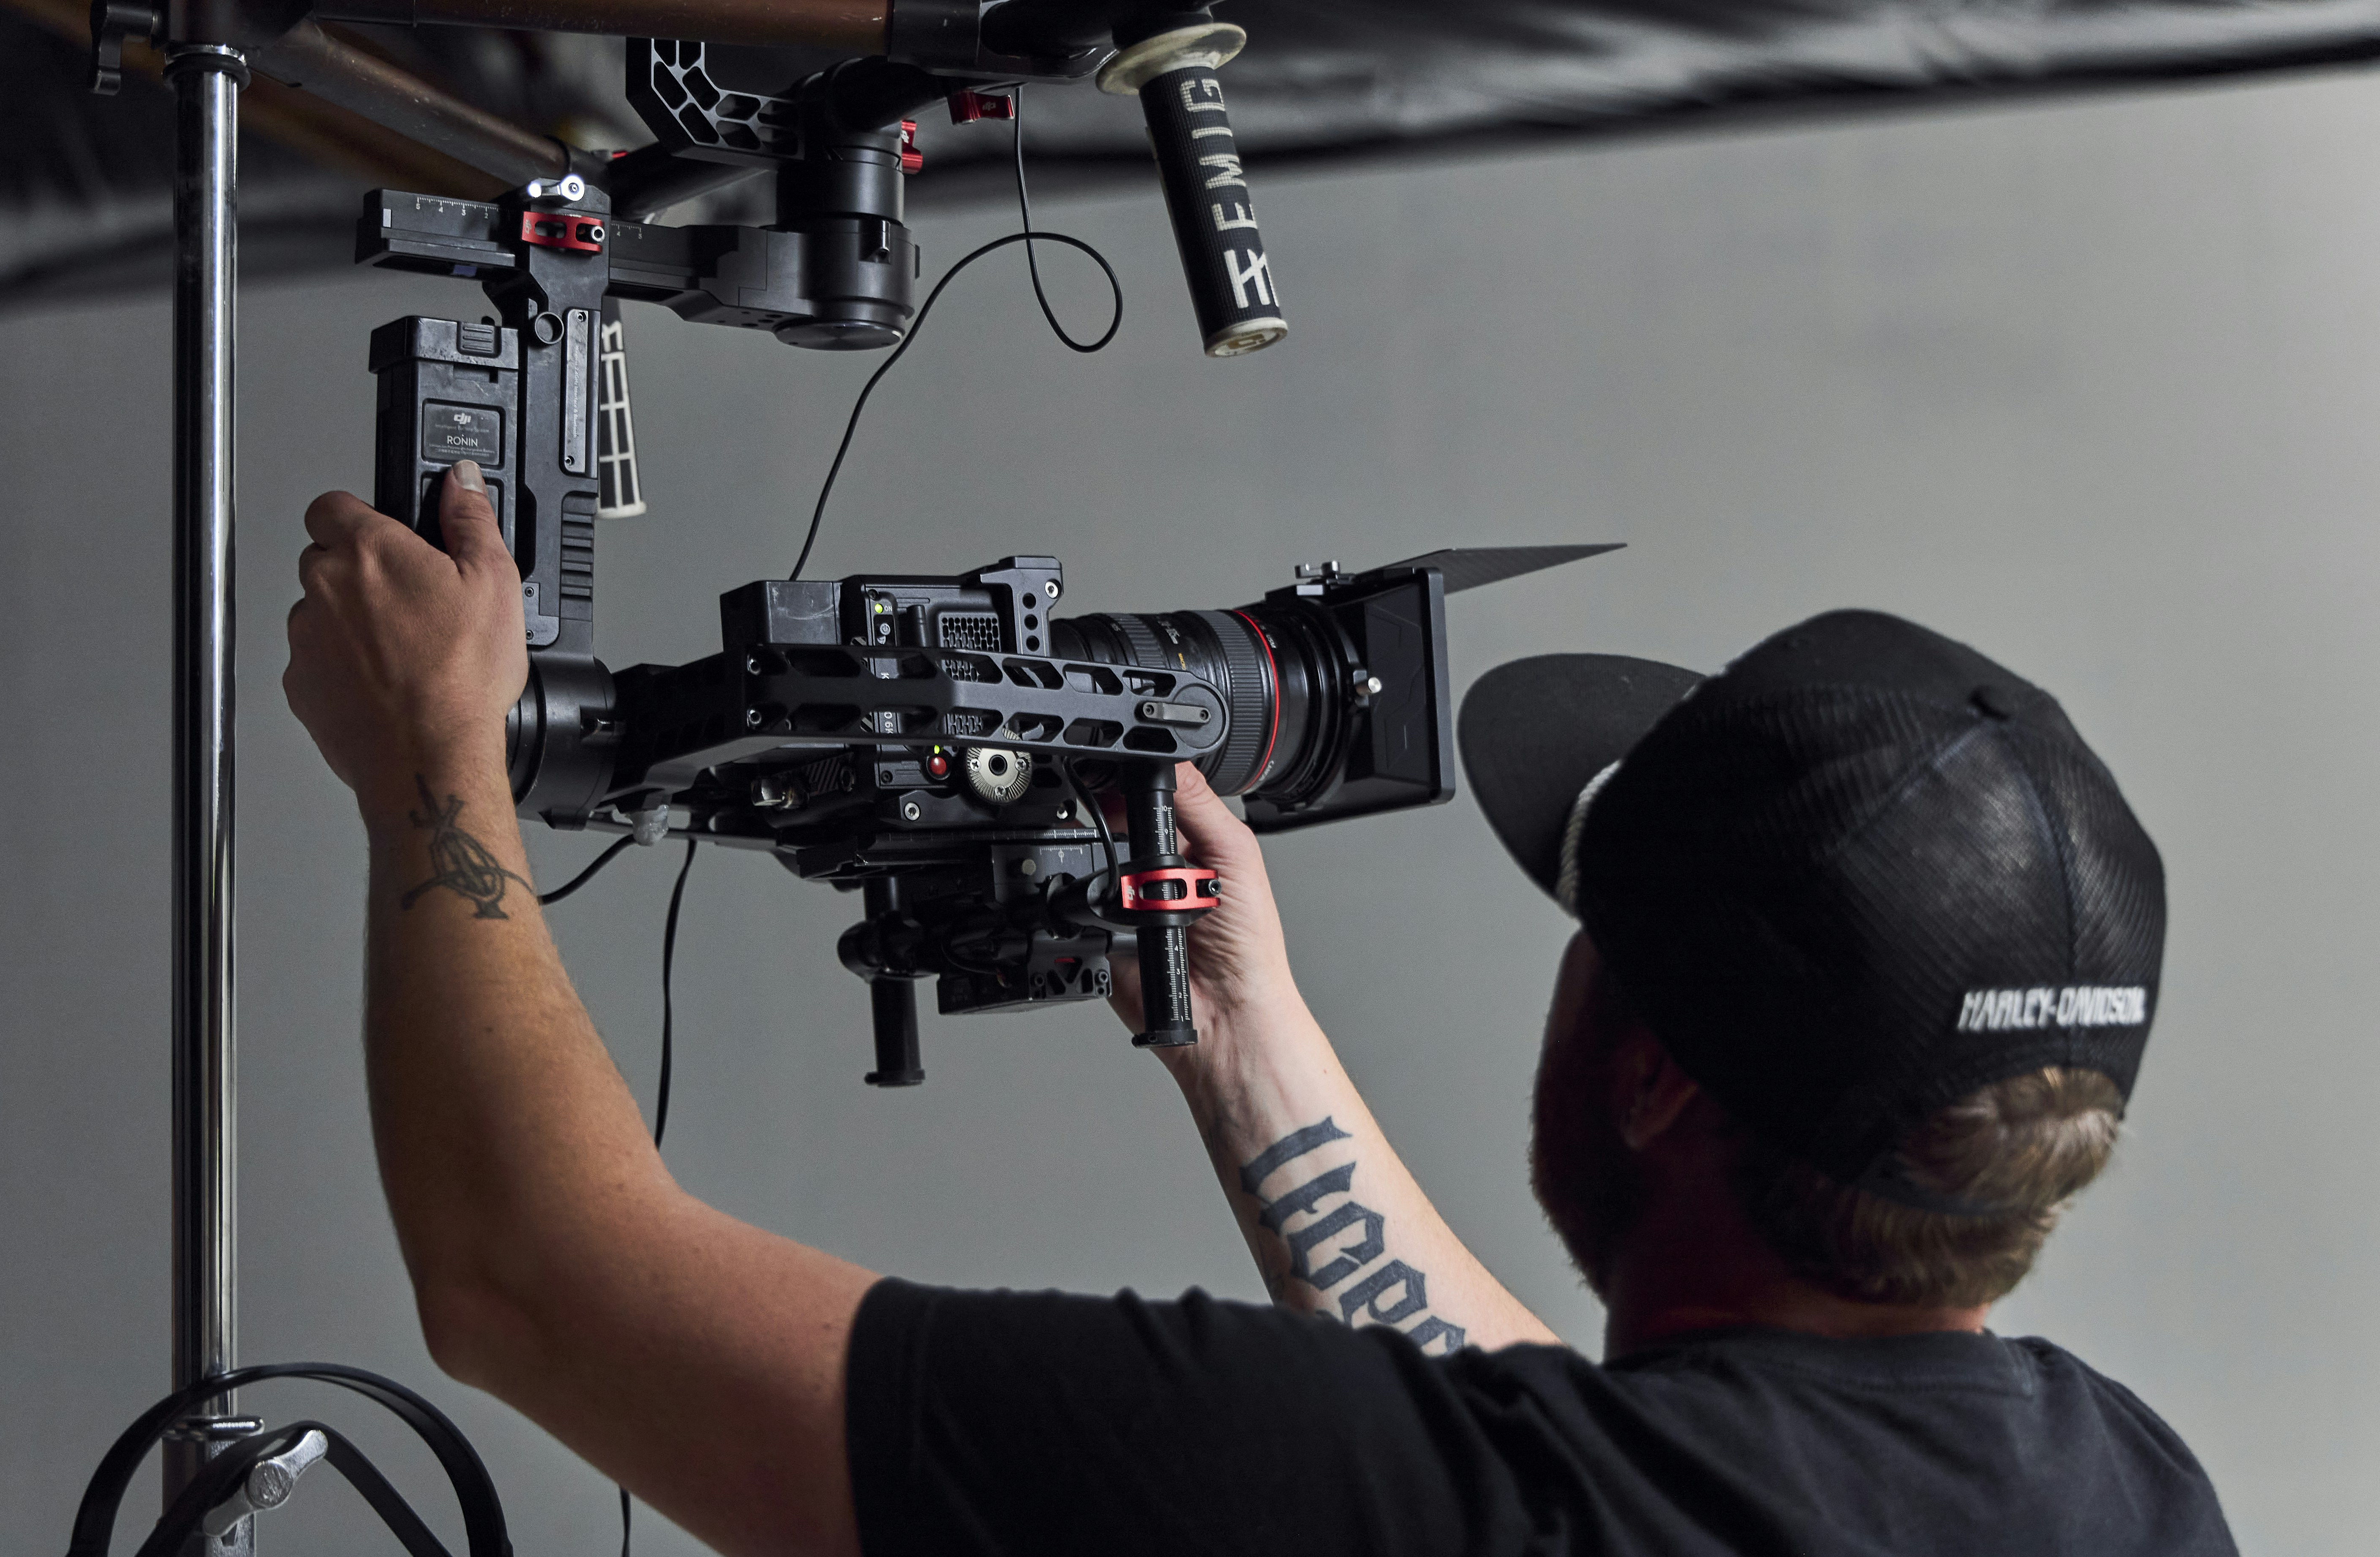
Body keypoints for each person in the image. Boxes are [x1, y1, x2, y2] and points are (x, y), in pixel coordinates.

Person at [282, 460, 2235, 1556]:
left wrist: (436, 766)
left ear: (1645, 1073)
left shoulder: (1294, 1486)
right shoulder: (2130, 1496)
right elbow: (1585, 1471)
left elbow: (536, 1281)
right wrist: (1241, 1028)